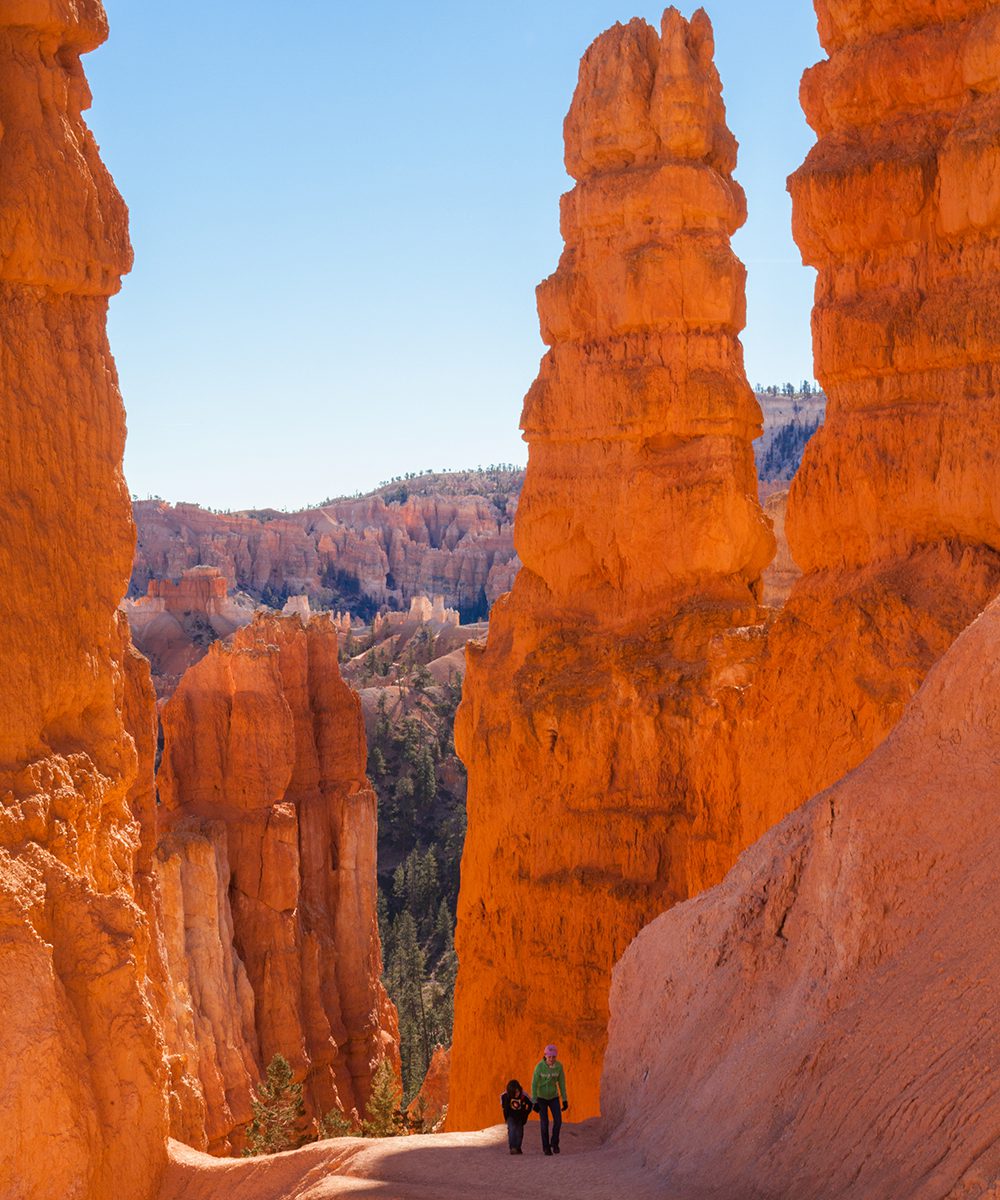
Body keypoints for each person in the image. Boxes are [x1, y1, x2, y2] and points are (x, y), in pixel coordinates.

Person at [530, 1043, 568, 1155]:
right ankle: (546, 1147)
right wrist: (534, 1101)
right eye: (549, 1056)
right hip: (541, 1097)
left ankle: (554, 1143)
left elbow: (561, 1083)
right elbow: (534, 1084)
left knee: (558, 1121)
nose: (551, 1059)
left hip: (553, 1097)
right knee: (544, 1122)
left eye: (554, 1057)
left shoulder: (559, 1066)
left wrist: (564, 1099)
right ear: (545, 1056)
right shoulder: (539, 1067)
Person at [500, 1078, 532, 1154]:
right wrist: (506, 1118)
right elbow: (504, 1107)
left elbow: (530, 1103)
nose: (517, 1093)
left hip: (520, 1116)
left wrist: (526, 1114)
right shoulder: (505, 1096)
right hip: (511, 1116)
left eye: (518, 1091)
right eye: (515, 1092)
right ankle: (513, 1148)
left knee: (520, 1132)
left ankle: (518, 1147)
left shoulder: (523, 1095)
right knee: (512, 1129)